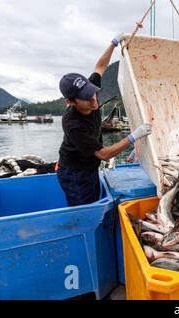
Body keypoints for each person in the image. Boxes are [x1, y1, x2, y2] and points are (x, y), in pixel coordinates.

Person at [57, 34, 152, 206]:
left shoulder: (89, 90)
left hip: (90, 167)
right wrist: (133, 137)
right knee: (84, 209)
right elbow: (103, 154)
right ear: (70, 102)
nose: (93, 99)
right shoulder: (72, 123)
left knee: (94, 200)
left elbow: (100, 66)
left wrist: (113, 44)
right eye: (86, 98)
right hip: (75, 172)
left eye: (92, 92)